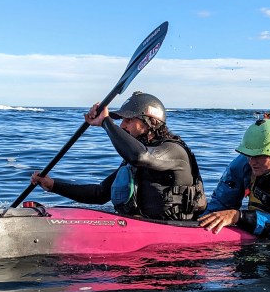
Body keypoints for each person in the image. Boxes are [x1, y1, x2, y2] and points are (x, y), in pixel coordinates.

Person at [31, 91, 206, 221]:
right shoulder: (135, 158)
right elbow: (99, 194)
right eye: (121, 120)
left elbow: (140, 156)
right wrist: (53, 185)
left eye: (128, 120)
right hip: (141, 226)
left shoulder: (173, 151)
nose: (122, 126)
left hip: (174, 234)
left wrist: (106, 122)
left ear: (150, 122)